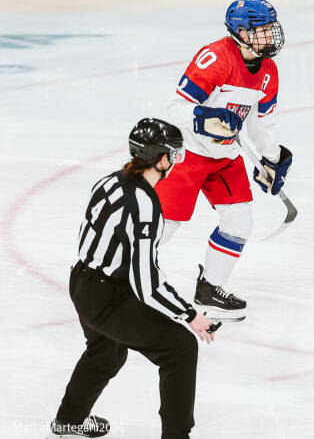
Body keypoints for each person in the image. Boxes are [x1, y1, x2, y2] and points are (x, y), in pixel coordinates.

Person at [50, 118, 216, 439]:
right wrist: (190, 315)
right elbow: (147, 284)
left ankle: (68, 422)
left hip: (82, 281)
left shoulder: (108, 181)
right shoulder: (144, 204)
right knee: (180, 348)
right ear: (162, 158)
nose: (176, 161)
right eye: (175, 154)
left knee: (106, 352)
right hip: (105, 295)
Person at [156, 0, 293, 321]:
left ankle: (209, 289)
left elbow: (260, 124)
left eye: (271, 29)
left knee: (239, 221)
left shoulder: (268, 72)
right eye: (261, 31)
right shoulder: (215, 58)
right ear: (242, 33)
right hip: (188, 153)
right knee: (165, 225)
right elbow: (176, 108)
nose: (270, 37)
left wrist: (272, 158)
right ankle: (120, 279)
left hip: (226, 156)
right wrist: (205, 115)